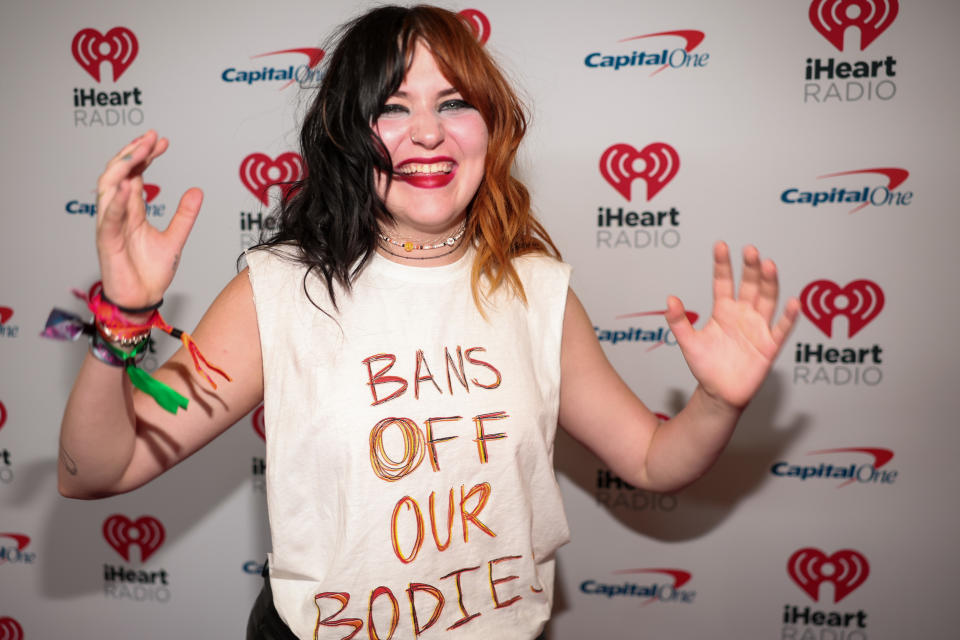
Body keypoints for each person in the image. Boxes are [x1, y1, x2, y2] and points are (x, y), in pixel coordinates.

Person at [58, 5, 799, 639]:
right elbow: (96, 472)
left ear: (490, 127)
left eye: (453, 103)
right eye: (391, 106)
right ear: (351, 132)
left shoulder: (535, 287)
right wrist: (123, 319)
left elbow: (651, 462)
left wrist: (718, 402)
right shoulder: (281, 290)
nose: (427, 134)